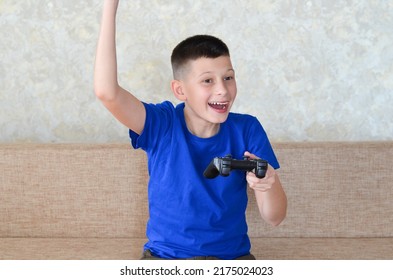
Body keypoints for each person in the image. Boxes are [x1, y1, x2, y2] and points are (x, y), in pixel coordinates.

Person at [94, 0, 287, 260]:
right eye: (207, 80)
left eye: (228, 77)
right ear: (180, 90)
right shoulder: (161, 124)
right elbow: (107, 93)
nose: (222, 89)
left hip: (231, 260)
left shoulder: (247, 128)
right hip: (166, 260)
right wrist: (110, 7)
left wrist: (267, 186)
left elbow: (275, 218)